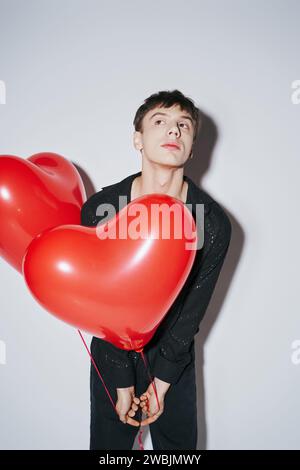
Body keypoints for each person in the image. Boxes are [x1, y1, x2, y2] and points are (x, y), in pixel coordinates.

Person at [81, 89, 232, 450]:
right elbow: (98, 303)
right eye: (160, 122)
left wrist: (162, 382)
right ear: (138, 139)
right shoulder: (103, 209)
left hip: (172, 356)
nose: (173, 131)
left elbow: (192, 311)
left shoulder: (210, 222)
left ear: (193, 146)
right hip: (110, 352)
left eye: (183, 125)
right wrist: (119, 379)